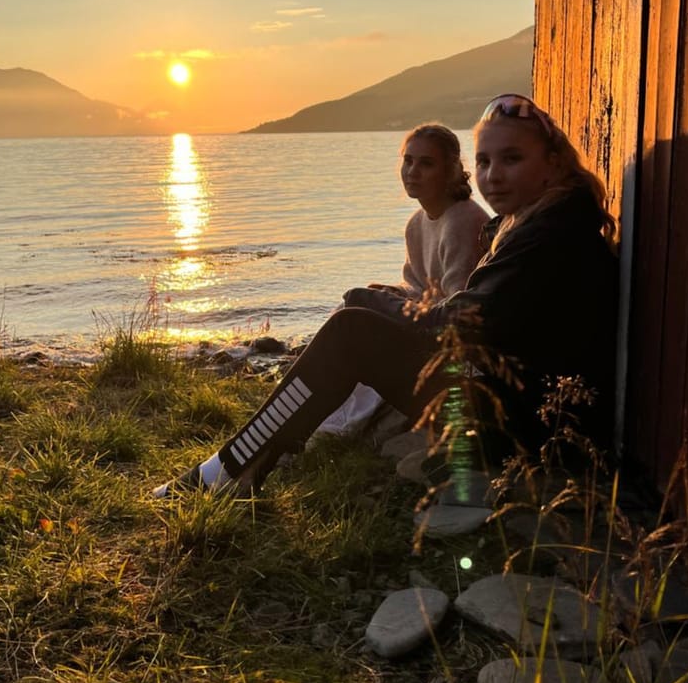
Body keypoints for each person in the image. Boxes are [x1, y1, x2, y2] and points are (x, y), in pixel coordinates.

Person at [154, 94, 618, 499]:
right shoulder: (536, 220)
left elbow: (460, 321)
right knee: (358, 321)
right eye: (484, 162)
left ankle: (234, 466)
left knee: (352, 330)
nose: (492, 176)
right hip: (517, 410)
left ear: (553, 163)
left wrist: (382, 306)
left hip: (529, 432)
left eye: (512, 159)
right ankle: (250, 459)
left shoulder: (551, 235)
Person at [312, 122, 487, 438]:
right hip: (428, 324)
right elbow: (419, 286)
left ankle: (336, 421)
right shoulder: (417, 224)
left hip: (455, 349)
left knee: (356, 304)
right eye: (408, 160)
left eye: (426, 163)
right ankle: (327, 414)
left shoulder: (463, 220)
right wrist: (395, 292)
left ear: (450, 171)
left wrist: (394, 305)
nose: (413, 171)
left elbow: (455, 307)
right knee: (357, 303)